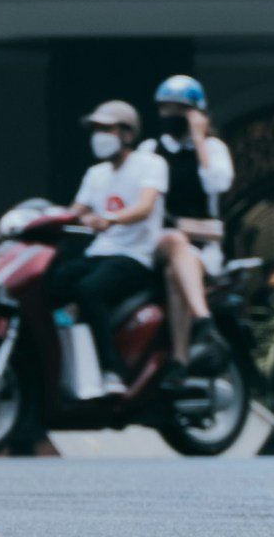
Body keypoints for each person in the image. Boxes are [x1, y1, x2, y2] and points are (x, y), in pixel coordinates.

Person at [66, 100, 171, 363]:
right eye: (95, 130)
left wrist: (109, 219)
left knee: (89, 290)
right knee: (51, 283)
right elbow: (73, 211)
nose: (99, 137)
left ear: (127, 134)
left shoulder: (150, 164)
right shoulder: (95, 173)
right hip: (98, 254)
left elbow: (145, 207)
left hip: (134, 256)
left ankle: (110, 370)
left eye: (106, 129)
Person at [144, 75, 231, 367]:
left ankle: (179, 360)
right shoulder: (150, 150)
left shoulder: (213, 149)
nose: (171, 115)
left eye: (178, 109)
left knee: (174, 273)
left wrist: (199, 140)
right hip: (155, 241)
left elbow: (218, 184)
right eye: (165, 109)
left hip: (201, 244)